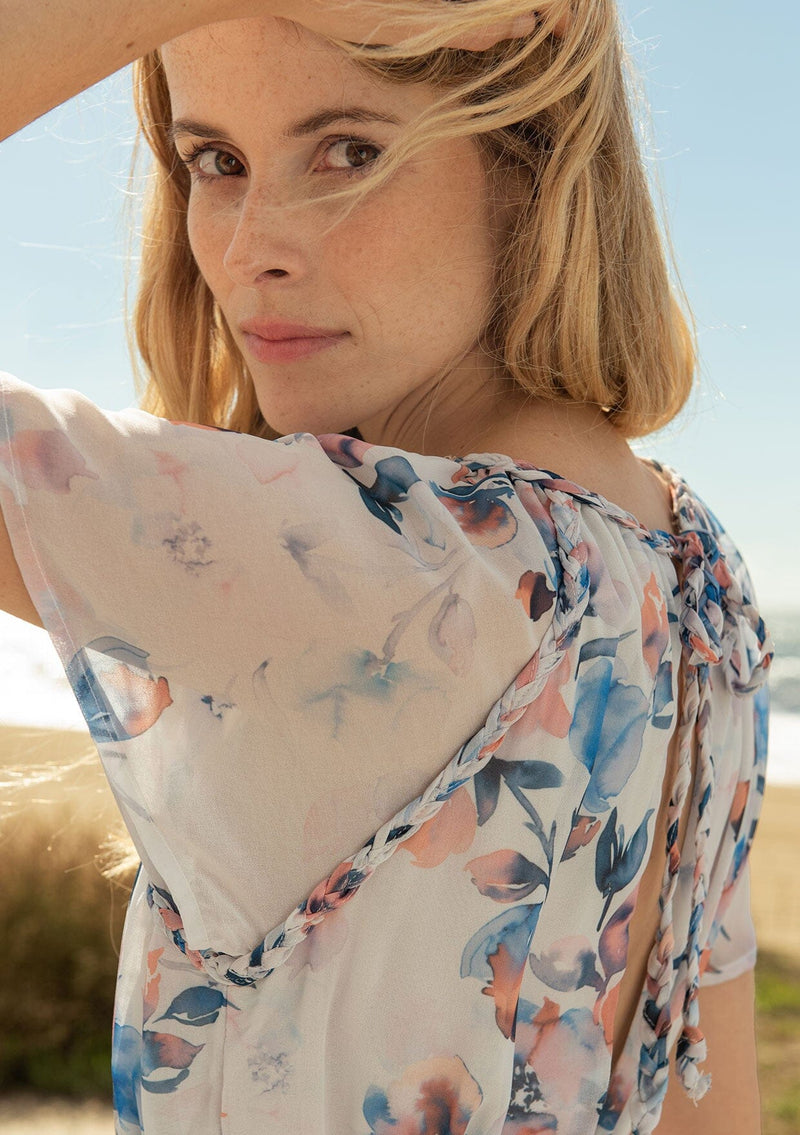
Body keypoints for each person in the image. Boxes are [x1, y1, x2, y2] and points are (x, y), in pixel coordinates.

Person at [0, 0, 773, 1132]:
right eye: (215, 161)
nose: (250, 247)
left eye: (348, 152)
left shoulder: (386, 564)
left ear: (527, 157)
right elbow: (717, 1106)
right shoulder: (696, 574)